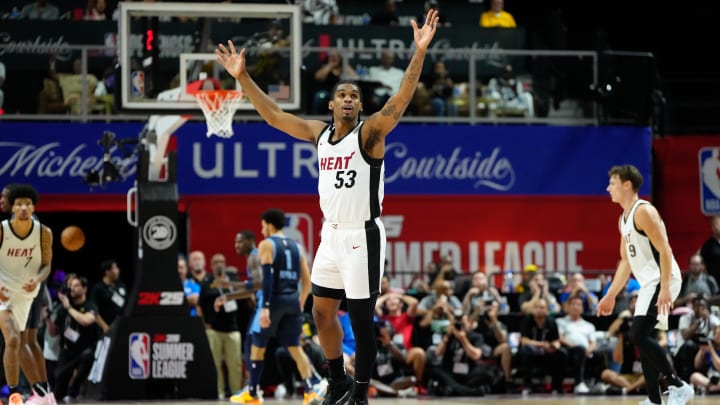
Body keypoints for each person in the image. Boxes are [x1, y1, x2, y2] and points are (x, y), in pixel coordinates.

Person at [215, 8, 439, 405]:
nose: (349, 99)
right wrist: (242, 77)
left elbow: (401, 100)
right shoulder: (319, 135)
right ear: (332, 105)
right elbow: (274, 116)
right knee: (320, 313)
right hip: (331, 234)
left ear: (359, 106)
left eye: (355, 95)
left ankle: (360, 394)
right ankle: (337, 382)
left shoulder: (369, 135)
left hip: (362, 235)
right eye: (342, 95)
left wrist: (418, 51)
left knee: (360, 321)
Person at [597, 164, 694, 405]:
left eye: (613, 183)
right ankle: (654, 400)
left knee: (638, 334)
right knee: (642, 337)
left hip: (664, 278)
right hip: (649, 284)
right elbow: (625, 263)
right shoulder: (623, 219)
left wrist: (664, 288)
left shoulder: (644, 211)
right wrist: (610, 295)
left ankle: (678, 385)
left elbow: (665, 249)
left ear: (627, 184)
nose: (608, 188)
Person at [220, 209, 321, 405]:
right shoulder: (297, 246)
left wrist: (265, 307)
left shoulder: (266, 244)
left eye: (263, 225)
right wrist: (299, 304)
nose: (262, 229)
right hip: (292, 301)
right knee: (295, 348)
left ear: (270, 224)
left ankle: (253, 393)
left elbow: (267, 279)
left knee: (257, 348)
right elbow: (307, 281)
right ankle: (311, 392)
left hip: (273, 301)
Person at [0, 184, 54, 405]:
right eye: (19, 203)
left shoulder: (44, 233)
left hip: (26, 294)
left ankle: (41, 391)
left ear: (33, 208)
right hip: (2, 292)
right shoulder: (2, 229)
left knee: (23, 342)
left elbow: (46, 266)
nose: (23, 207)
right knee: (12, 339)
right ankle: (13, 393)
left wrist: (38, 279)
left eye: (28, 204)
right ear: (12, 207)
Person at [89, 259, 127, 334]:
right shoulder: (98, 288)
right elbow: (93, 311)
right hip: (106, 330)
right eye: (115, 268)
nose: (118, 270)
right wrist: (105, 327)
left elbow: (126, 304)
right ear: (107, 272)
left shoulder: (121, 285)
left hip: (122, 327)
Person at [699, 215, 720, 286]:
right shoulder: (708, 245)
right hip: (714, 284)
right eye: (714, 225)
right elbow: (702, 264)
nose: (716, 227)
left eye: (718, 224)